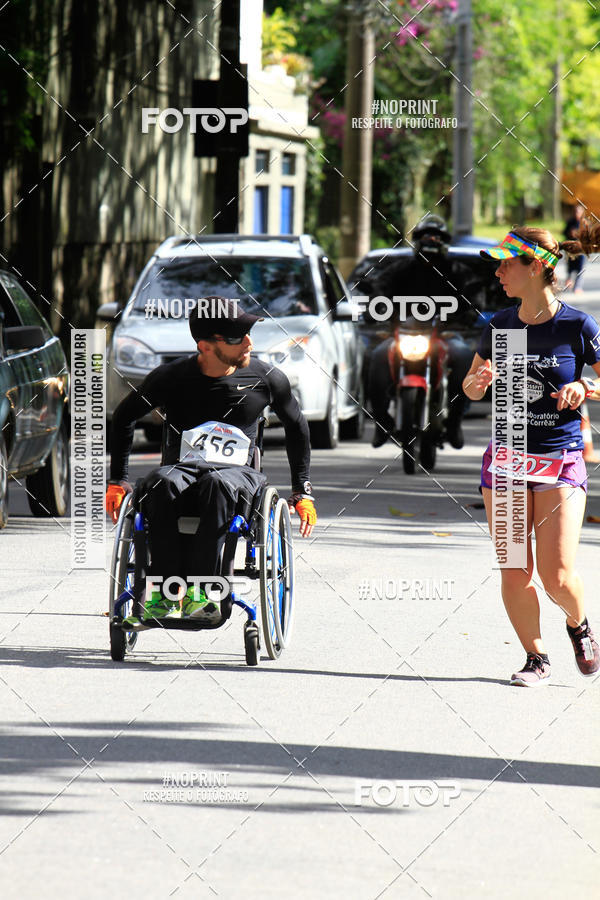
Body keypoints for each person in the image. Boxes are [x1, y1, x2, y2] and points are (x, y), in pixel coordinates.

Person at [105, 297, 317, 623]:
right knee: (158, 483)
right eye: (236, 338)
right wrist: (117, 480)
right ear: (205, 346)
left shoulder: (267, 378)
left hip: (238, 476)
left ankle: (201, 594)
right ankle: (163, 595)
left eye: (248, 334)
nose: (249, 342)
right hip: (181, 471)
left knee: (218, 484)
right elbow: (123, 417)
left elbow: (297, 428)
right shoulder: (171, 377)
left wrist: (302, 492)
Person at [463, 224, 600, 686]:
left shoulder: (576, 326)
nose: (499, 271)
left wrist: (584, 386)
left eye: (507, 263)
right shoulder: (502, 325)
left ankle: (578, 625)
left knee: (557, 575)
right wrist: (476, 384)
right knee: (515, 567)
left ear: (537, 266)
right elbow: (473, 383)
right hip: (507, 459)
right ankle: (535, 658)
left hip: (558, 458)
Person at [368, 215, 476, 449]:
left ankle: (455, 422)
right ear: (416, 241)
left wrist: (464, 318)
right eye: (425, 236)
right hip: (403, 335)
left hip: (444, 336)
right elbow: (379, 291)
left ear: (444, 241)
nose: (431, 240)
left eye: (436, 236)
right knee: (376, 356)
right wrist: (380, 313)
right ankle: (381, 423)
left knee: (464, 357)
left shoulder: (456, 271)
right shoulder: (399, 270)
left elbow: (471, 301)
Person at [564, 203, 585, 293]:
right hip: (571, 249)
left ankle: (577, 287)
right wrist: (570, 233)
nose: (577, 213)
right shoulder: (570, 222)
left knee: (580, 268)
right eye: (576, 211)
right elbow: (564, 233)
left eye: (579, 211)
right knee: (570, 266)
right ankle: (568, 280)